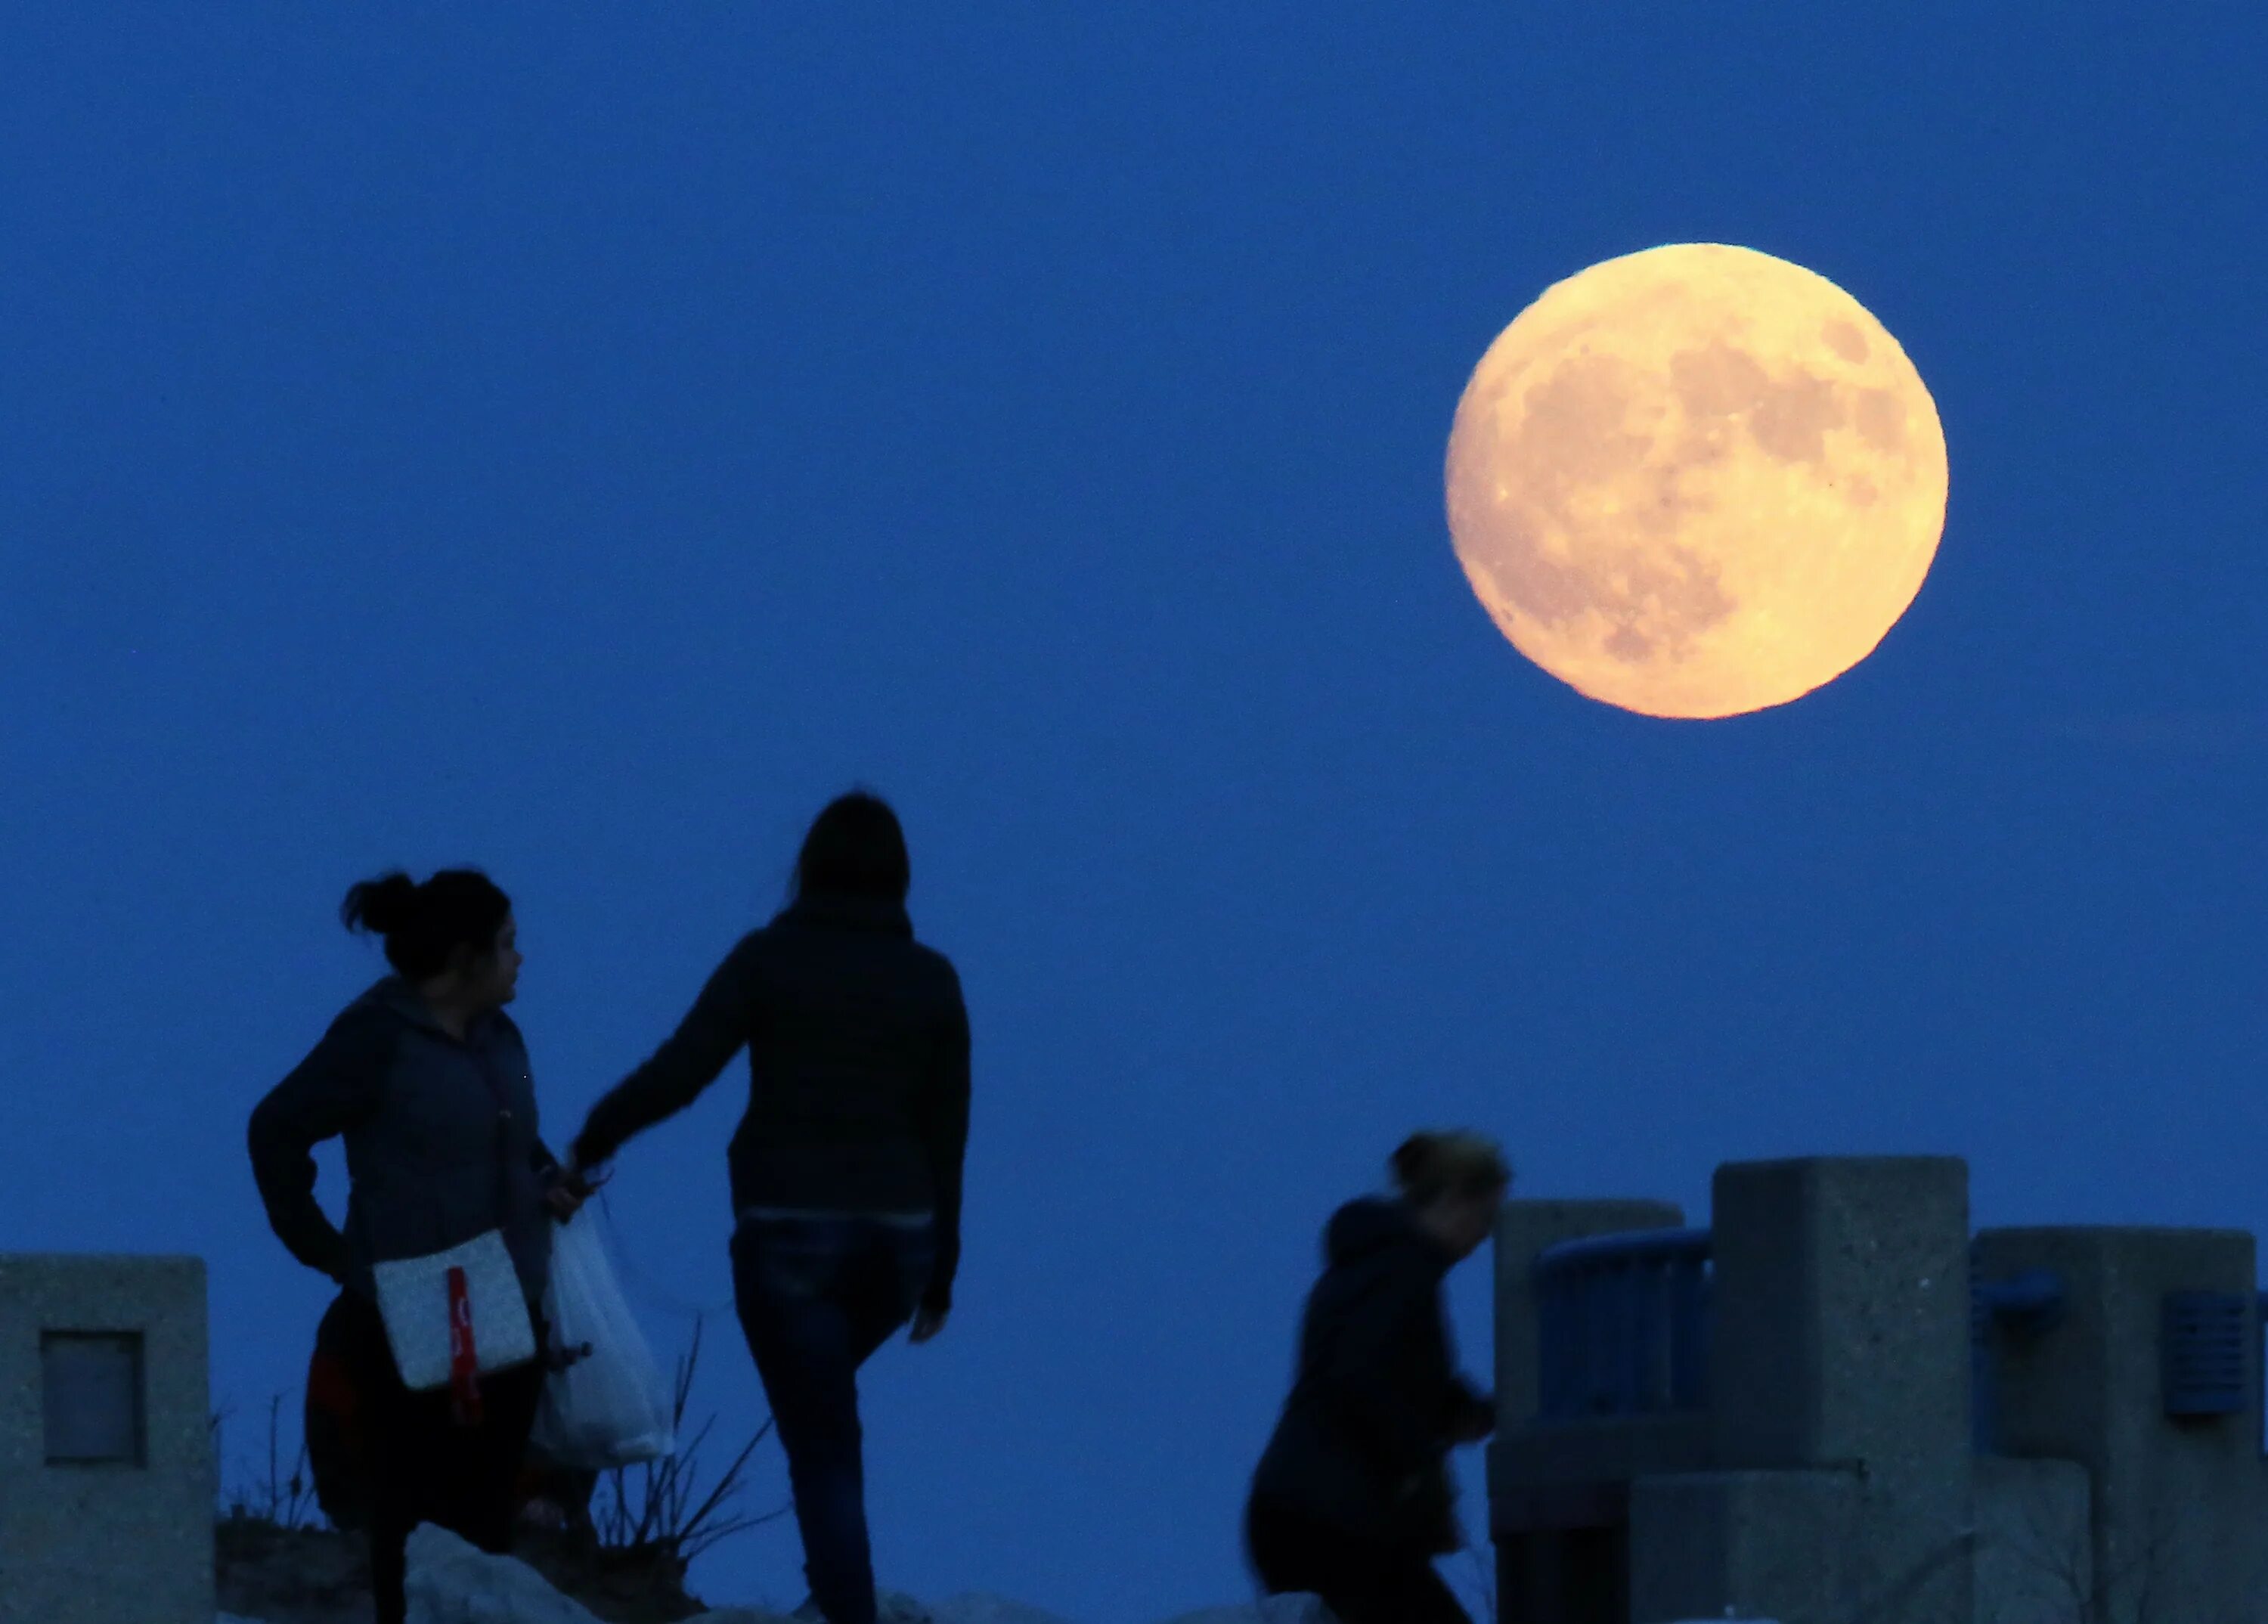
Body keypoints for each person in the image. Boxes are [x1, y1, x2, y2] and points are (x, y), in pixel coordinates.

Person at [565, 789, 969, 1624]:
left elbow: (683, 1069)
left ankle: (846, 1611)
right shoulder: (933, 980)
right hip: (899, 1245)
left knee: (821, 1438)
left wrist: (597, 1134)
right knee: (823, 1414)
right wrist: (940, 1275)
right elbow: (947, 1133)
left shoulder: (767, 959)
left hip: (789, 1235)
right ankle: (838, 1596)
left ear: (808, 867)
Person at [247, 868, 600, 1624]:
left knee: (488, 1515)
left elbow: (508, 1142)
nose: (522, 959)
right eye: (509, 944)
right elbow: (276, 1127)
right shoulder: (376, 1037)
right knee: (410, 1521)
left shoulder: (503, 1037)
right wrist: (324, 1248)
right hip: (412, 1302)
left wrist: (549, 1185)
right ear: (465, 956)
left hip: (506, 1298)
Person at [1243, 1130, 1510, 1624]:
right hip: (1334, 1517)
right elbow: (1362, 1380)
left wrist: (1465, 1413)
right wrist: (1414, 1469)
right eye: (1485, 1216)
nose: (1485, 1234)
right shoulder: (1401, 1269)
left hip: (1297, 1509)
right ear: (1453, 1199)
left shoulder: (1373, 1264)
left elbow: (1393, 1375)